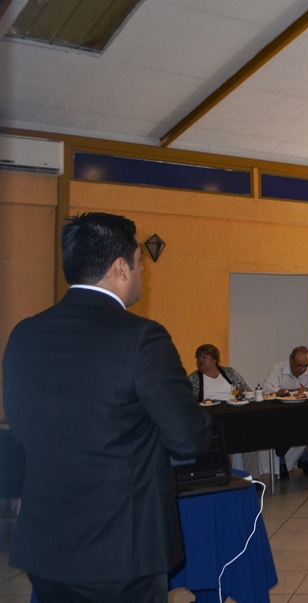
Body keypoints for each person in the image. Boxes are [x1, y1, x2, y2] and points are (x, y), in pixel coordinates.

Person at [2, 212, 211, 602]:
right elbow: (188, 439)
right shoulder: (141, 338)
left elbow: (20, 426)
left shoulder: (25, 334)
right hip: (120, 549)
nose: (142, 272)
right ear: (120, 267)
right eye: (139, 262)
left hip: (46, 544)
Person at [264, 345, 308, 478]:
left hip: (306, 412)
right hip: (283, 413)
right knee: (280, 428)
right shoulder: (278, 368)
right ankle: (282, 462)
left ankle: (305, 457)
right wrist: (291, 392)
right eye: (300, 365)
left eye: (306, 365)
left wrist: (306, 390)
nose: (303, 369)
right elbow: (267, 389)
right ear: (291, 360)